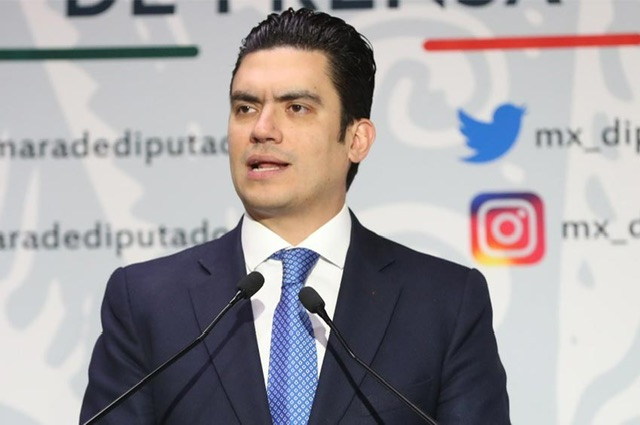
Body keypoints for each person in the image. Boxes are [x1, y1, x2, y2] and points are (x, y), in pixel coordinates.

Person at [80, 8, 510, 425]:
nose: (261, 129)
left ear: (356, 139)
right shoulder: (147, 302)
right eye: (245, 108)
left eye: (296, 107)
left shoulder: (445, 302)